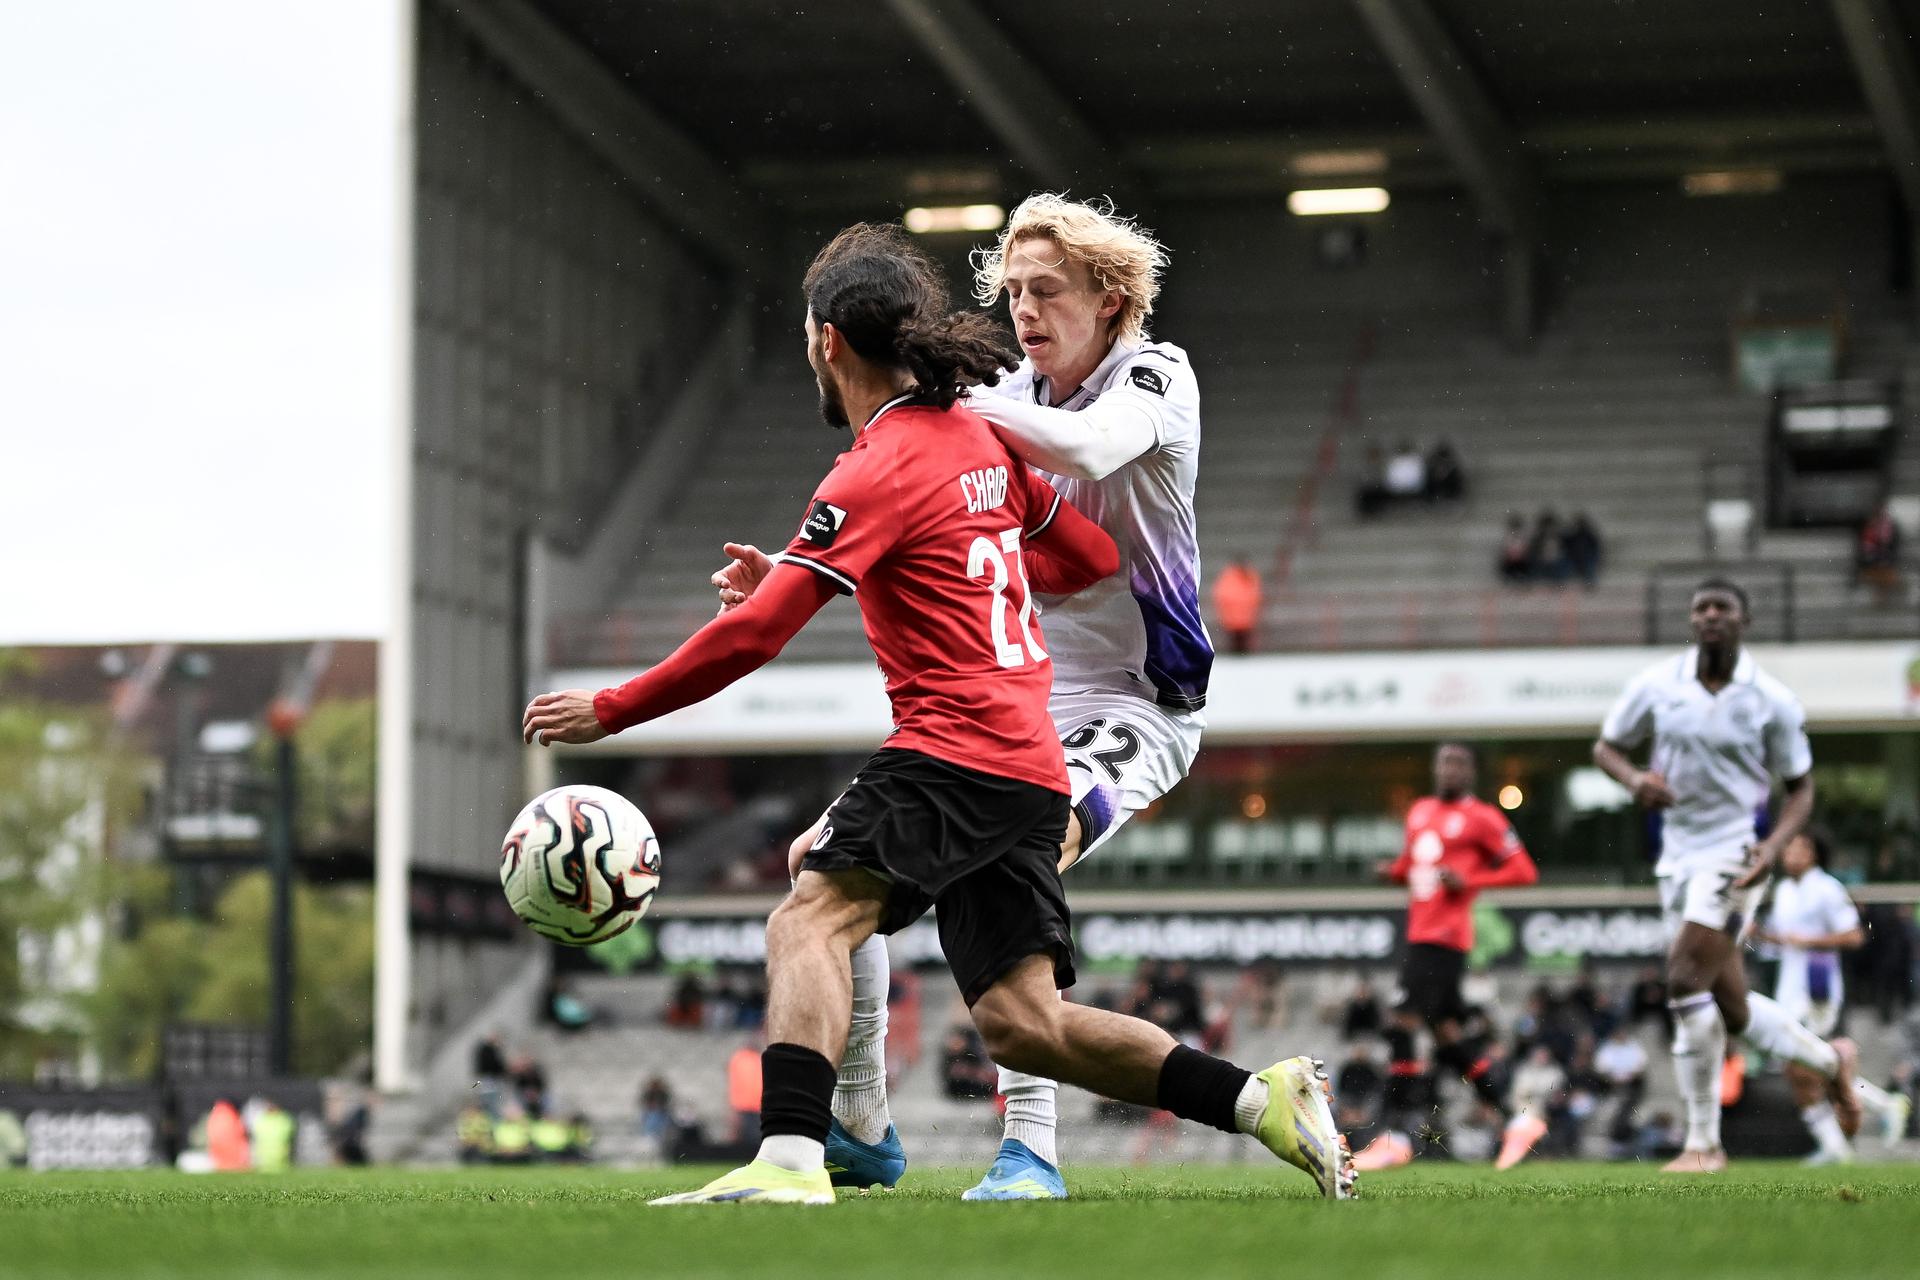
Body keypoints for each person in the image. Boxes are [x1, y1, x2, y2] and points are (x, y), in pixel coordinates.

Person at [524, 223, 1353, 1205]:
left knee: (809, 917)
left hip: (955, 751)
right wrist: (963, 558)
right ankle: (1263, 1098)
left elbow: (754, 641)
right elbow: (1088, 558)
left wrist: (611, 706)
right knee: (1024, 1023)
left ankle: (797, 1155)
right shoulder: (978, 439)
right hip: (1029, 762)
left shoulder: (876, 467)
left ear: (828, 340)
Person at [716, 195, 1226, 1202]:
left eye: (1048, 290)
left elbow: (1080, 453)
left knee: (1012, 861)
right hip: (1023, 701)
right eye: (1013, 291)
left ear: (1110, 297)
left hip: (1140, 703)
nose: (1025, 309)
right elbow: (912, 510)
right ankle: (858, 1117)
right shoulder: (1006, 386)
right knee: (818, 856)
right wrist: (785, 568)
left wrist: (935, 401)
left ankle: (1030, 1149)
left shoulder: (1155, 375)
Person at [1593, 577, 1860, 1173]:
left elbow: (1800, 789)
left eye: (1723, 608)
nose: (1711, 616)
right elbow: (1606, 747)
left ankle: (1704, 1144)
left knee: (1685, 978)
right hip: (1676, 857)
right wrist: (1635, 780)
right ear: (1691, 621)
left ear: (1745, 619)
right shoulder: (1657, 685)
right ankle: (1829, 1063)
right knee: (1732, 1008)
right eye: (1701, 608)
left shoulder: (1772, 700)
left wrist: (1774, 845)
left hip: (1735, 851)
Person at [1366, 742, 1539, 1170]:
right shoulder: (1420, 811)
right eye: (1444, 762)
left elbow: (1524, 871)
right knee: (1446, 1037)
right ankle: (1519, 1120)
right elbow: (1412, 865)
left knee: (1402, 1021)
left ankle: (1396, 1135)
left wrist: (1471, 879)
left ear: (1472, 773)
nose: (1450, 770)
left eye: (1460, 763)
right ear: (1435, 768)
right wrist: (1394, 871)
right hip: (1420, 931)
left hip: (1446, 937)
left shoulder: (1482, 817)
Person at [1750, 831, 1911, 1161]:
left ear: (1814, 854)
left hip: (1817, 992)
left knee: (1802, 1064)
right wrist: (1760, 935)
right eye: (1789, 847)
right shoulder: (1783, 890)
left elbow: (1854, 936)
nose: (1792, 853)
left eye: (1800, 847)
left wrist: (1810, 941)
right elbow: (1786, 941)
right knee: (1807, 1065)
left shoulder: (1827, 888)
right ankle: (1879, 1107)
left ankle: (1837, 1143)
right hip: (1789, 989)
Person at [1212, 557, 1261, 655]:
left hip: (1240, 620)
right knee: (1237, 645)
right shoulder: (1237, 577)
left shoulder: (1243, 577)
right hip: (1236, 620)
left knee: (1240, 645)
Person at [1561, 512, 1603, 589]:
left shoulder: (1590, 536)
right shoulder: (1571, 536)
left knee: (1590, 570)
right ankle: (1561, 586)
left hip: (1586, 560)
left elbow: (1596, 551)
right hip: (1572, 559)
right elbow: (1564, 548)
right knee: (1564, 568)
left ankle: (1590, 586)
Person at [1497, 514, 1531, 585]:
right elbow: (1505, 550)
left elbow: (1526, 549)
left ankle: (1521, 576)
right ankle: (1511, 576)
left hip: (1521, 561)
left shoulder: (1523, 536)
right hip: (1511, 561)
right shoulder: (1508, 536)